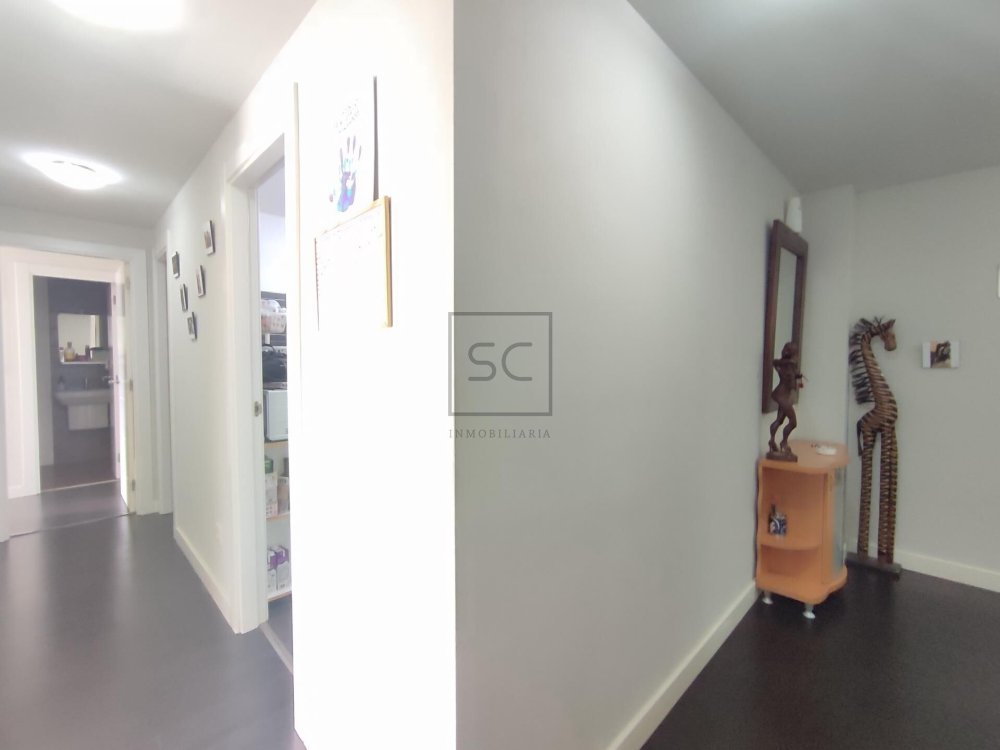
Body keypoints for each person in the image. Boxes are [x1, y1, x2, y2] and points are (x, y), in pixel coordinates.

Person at [768, 342, 801, 460]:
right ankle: (783, 442)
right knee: (793, 422)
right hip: (783, 396)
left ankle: (772, 441)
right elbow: (790, 382)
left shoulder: (787, 365)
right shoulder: (789, 365)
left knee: (779, 420)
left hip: (782, 395)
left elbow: (786, 373)